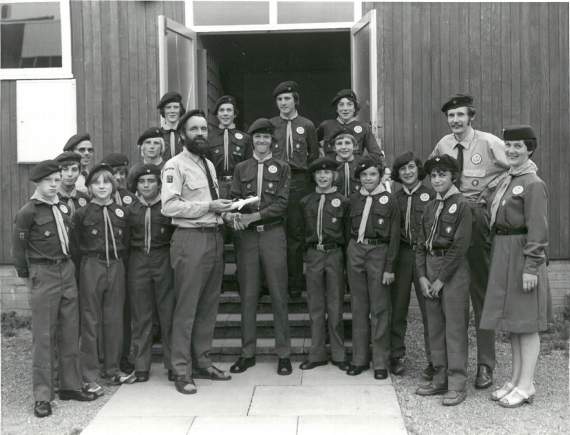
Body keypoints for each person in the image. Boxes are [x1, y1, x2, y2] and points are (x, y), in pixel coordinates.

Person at [430, 93, 508, 389]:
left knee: (480, 293)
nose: (455, 121)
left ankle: (486, 365)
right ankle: (449, 364)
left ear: (471, 117)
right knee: (452, 289)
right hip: (450, 220)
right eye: (451, 116)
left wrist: (492, 194)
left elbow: (518, 167)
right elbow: (433, 174)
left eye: (461, 115)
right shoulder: (443, 144)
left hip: (476, 220)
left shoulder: (488, 143)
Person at [13, 160, 98, 418]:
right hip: (43, 272)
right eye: (49, 181)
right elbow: (18, 250)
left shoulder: (61, 206)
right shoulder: (28, 211)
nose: (54, 184)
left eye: (56, 180)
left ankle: (70, 386)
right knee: (44, 336)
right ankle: (42, 395)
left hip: (66, 269)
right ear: (38, 182)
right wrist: (28, 276)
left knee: (70, 331)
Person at [161, 109, 233, 395]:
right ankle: (181, 369)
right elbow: (169, 207)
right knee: (187, 307)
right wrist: (208, 208)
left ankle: (202, 361)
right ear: (182, 135)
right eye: (195, 129)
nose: (201, 134)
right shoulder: (174, 166)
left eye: (204, 129)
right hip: (190, 241)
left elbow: (210, 202)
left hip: (213, 238)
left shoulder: (208, 164)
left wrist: (227, 214)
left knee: (208, 307)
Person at [480, 125, 550, 408]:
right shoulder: (508, 179)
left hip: (522, 255)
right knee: (513, 323)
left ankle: (526, 385)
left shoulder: (533, 183)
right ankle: (515, 379)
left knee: (527, 324)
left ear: (530, 149)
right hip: (503, 253)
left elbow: (538, 230)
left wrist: (531, 267)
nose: (511, 150)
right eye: (508, 145)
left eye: (518, 146)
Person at [226, 118, 292, 376]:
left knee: (278, 294)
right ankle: (247, 353)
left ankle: (284, 354)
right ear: (251, 140)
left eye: (266, 137)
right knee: (248, 295)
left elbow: (282, 203)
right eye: (257, 137)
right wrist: (236, 216)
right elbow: (234, 198)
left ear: (272, 141)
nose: (261, 141)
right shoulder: (242, 168)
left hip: (273, 234)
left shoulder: (282, 167)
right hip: (248, 239)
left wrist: (255, 216)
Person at [71, 163, 136, 397]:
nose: (101, 186)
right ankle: (89, 374)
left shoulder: (122, 211)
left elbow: (127, 242)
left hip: (117, 265)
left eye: (106, 182)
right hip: (91, 265)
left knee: (114, 319)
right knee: (90, 320)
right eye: (96, 182)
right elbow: (75, 246)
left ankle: (113, 368)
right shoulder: (81, 214)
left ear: (113, 185)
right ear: (89, 187)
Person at [415, 155, 472, 406]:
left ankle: (457, 383)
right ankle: (440, 378)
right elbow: (419, 245)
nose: (437, 179)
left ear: (453, 177)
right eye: (434, 175)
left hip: (454, 271)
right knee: (435, 326)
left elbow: (459, 246)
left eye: (442, 174)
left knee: (455, 327)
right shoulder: (429, 207)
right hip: (430, 266)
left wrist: (441, 280)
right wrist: (423, 277)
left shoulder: (462, 205)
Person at [346, 155, 400, 380]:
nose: (368, 178)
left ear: (380, 176)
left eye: (372, 174)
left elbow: (395, 236)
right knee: (359, 307)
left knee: (379, 308)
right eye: (364, 175)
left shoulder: (389, 200)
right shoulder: (354, 199)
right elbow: (345, 229)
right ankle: (359, 358)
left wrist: (389, 267)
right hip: (356, 250)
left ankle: (380, 361)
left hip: (379, 252)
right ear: (358, 178)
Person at [299, 157, 350, 371]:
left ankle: (339, 353)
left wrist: (346, 262)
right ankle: (317, 352)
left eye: (327, 173)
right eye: (319, 173)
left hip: (335, 254)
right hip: (314, 255)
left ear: (334, 176)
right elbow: (300, 232)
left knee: (336, 305)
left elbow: (347, 234)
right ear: (314, 176)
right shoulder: (306, 201)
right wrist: (304, 258)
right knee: (316, 306)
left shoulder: (343, 201)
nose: (323, 176)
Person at [270, 80, 319, 298]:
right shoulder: (271, 125)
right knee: (274, 230)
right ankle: (270, 283)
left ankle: (295, 284)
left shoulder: (307, 125)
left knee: (297, 233)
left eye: (287, 98)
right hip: (276, 181)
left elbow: (314, 156)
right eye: (279, 99)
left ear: (295, 100)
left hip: (300, 180)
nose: (283, 103)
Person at [127, 164, 175, 383]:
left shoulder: (167, 206)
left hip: (162, 257)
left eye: (151, 181)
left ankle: (173, 363)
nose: (146, 185)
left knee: (168, 312)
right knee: (141, 314)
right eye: (142, 182)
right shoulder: (130, 208)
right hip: (138, 260)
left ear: (159, 184)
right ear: (136, 185)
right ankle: (141, 364)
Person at [389, 152, 433, 378]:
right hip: (402, 256)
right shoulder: (394, 199)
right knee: (397, 307)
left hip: (424, 256)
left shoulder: (431, 196)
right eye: (402, 169)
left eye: (411, 168)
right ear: (397, 173)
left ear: (418, 170)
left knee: (430, 308)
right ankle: (396, 356)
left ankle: (434, 360)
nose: (407, 172)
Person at [207, 95, 252, 199]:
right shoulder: (210, 138)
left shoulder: (245, 138)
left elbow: (250, 165)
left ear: (235, 114)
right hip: (216, 184)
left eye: (229, 110)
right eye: (221, 110)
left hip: (239, 185)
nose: (225, 113)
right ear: (217, 115)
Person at [317, 89, 383, 160]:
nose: (345, 108)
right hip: (332, 169)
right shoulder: (326, 125)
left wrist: (360, 162)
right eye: (341, 105)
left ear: (355, 108)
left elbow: (376, 153)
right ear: (337, 108)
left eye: (349, 104)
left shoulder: (364, 127)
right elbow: (311, 143)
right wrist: (320, 152)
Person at [55, 151, 90, 217]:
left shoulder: (85, 198)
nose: (70, 174)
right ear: (58, 173)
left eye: (74, 170)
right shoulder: (52, 198)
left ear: (79, 173)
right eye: (65, 169)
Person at [158, 91, 185, 160]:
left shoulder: (186, 133)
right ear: (163, 110)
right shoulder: (158, 135)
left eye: (175, 107)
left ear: (180, 110)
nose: (172, 111)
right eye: (168, 107)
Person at [332, 132, 361, 198]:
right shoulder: (329, 165)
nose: (343, 147)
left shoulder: (362, 163)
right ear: (334, 148)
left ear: (355, 146)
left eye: (347, 143)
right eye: (339, 143)